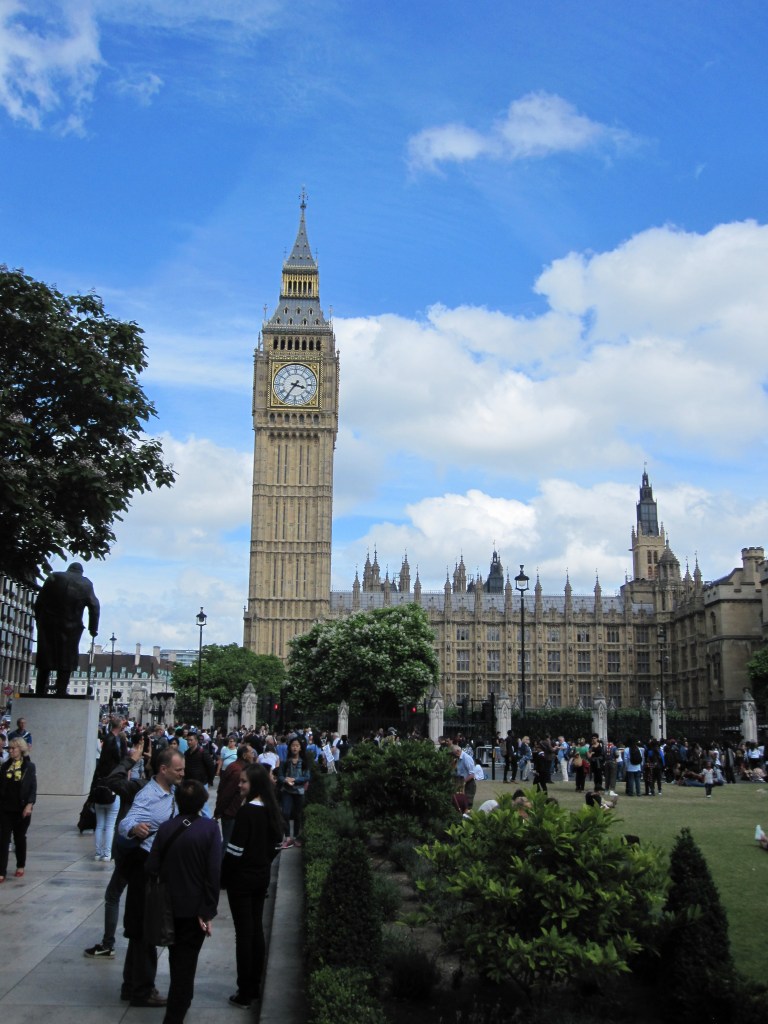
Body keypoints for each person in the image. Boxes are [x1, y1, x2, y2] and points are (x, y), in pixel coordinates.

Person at [145, 779, 221, 1024]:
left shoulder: (166, 828)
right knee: (186, 961)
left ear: (177, 801)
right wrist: (208, 910)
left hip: (169, 905)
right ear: (202, 802)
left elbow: (152, 865)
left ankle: (182, 1001)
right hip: (195, 908)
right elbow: (213, 873)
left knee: (177, 957)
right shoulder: (210, 829)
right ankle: (175, 1013)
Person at [117, 747, 186, 1007]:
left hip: (158, 868)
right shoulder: (148, 795)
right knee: (146, 928)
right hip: (145, 867)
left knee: (142, 928)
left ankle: (131, 985)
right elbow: (126, 822)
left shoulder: (175, 792)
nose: (182, 773)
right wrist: (135, 827)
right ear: (163, 769)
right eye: (178, 769)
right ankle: (142, 989)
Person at [221, 763, 283, 1009]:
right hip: (260, 877)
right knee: (256, 930)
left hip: (242, 881)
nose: (240, 785)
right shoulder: (271, 809)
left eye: (244, 781)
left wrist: (224, 876)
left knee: (245, 934)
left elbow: (234, 851)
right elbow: (277, 844)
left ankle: (245, 991)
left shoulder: (247, 812)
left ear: (255, 784)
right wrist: (263, 861)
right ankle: (254, 985)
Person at [34, 562, 100, 696]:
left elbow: (39, 602)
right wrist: (93, 629)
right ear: (81, 572)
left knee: (45, 656)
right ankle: (61, 690)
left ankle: (40, 690)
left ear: (68, 569)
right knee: (67, 657)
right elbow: (94, 606)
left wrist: (39, 620)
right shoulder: (86, 584)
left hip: (48, 623)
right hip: (71, 625)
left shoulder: (54, 577)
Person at [0, 736, 36, 881]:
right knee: (3, 839)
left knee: (19, 838)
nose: (10, 751)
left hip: (21, 809)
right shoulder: (5, 766)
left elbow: (33, 788)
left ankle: (20, 865)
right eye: (9, 748)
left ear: (20, 749)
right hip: (5, 808)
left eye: (13, 748)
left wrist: (29, 804)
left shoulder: (29, 767)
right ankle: (1, 871)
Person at [214, 744, 254, 853]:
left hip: (232, 811)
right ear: (244, 755)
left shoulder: (237, 767)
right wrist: (219, 811)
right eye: (251, 753)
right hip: (231, 812)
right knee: (228, 843)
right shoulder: (238, 771)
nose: (253, 755)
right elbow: (226, 794)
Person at [277, 736, 311, 848]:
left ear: (300, 748)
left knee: (297, 814)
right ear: (290, 747)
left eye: (297, 745)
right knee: (285, 813)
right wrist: (285, 780)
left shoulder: (304, 762)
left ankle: (296, 836)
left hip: (299, 791)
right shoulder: (285, 762)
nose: (295, 748)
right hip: (287, 790)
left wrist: (295, 780)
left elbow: (307, 776)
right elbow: (280, 776)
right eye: (293, 745)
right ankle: (287, 837)